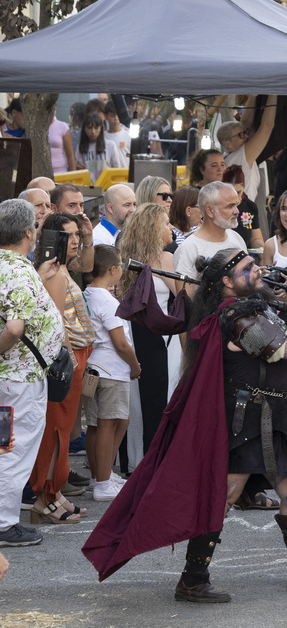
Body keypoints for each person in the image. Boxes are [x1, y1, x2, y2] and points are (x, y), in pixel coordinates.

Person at [85, 247, 287, 601]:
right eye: (247, 268)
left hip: (275, 417)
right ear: (227, 282)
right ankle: (193, 578)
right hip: (249, 420)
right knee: (224, 494)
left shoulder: (255, 308)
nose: (257, 270)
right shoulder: (236, 318)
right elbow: (283, 350)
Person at [0, 199, 65, 548]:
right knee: (14, 449)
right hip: (19, 379)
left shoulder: (7, 265)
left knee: (5, 448)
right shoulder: (18, 269)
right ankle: (4, 523)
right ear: (29, 233)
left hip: (11, 376)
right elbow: (13, 329)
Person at [28, 212, 94, 525]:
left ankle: (55, 493)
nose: (75, 242)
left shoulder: (62, 268)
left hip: (74, 356)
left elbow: (89, 264)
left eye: (77, 236)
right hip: (65, 358)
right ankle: (46, 497)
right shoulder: (53, 272)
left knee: (63, 430)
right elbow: (55, 321)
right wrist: (67, 357)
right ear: (54, 240)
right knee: (55, 430)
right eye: (68, 236)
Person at [116, 204, 182, 456]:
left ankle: (135, 459)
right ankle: (157, 456)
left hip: (132, 336)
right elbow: (183, 296)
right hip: (160, 337)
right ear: (153, 229)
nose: (171, 228)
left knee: (135, 401)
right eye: (166, 223)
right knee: (158, 398)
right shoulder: (165, 259)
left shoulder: (125, 258)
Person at [83, 245, 139, 503]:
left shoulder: (89, 293)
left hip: (94, 368)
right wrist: (135, 365)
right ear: (113, 270)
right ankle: (103, 483)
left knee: (98, 424)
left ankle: (99, 476)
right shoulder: (106, 299)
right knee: (109, 424)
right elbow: (121, 343)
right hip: (111, 370)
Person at [173, 182, 247, 293]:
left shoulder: (236, 238)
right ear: (210, 211)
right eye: (230, 206)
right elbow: (187, 303)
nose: (236, 211)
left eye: (236, 205)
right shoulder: (188, 249)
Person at [217, 98, 278, 204]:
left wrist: (253, 96)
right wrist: (274, 92)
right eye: (241, 135)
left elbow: (245, 122)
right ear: (228, 144)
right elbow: (267, 126)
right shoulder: (240, 155)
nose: (246, 136)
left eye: (245, 132)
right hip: (244, 212)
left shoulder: (227, 157)